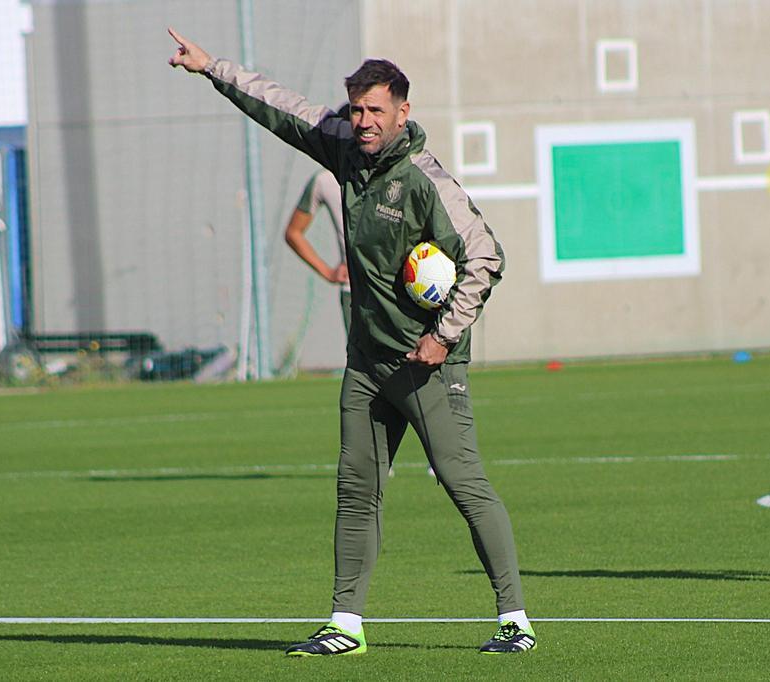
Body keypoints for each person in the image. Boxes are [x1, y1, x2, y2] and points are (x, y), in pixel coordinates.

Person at [168, 29, 535, 655]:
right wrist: (210, 68)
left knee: (461, 481)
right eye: (357, 109)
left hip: (425, 367)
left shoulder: (424, 180)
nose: (363, 122)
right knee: (356, 488)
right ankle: (345, 624)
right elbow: (281, 106)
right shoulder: (346, 148)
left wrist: (443, 338)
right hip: (366, 363)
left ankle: (515, 621)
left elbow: (487, 254)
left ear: (403, 112)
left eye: (376, 111)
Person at [284, 168, 351, 334]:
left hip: (396, 291)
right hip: (353, 293)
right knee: (363, 359)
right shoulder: (325, 180)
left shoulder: (401, 171)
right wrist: (328, 272)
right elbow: (293, 233)